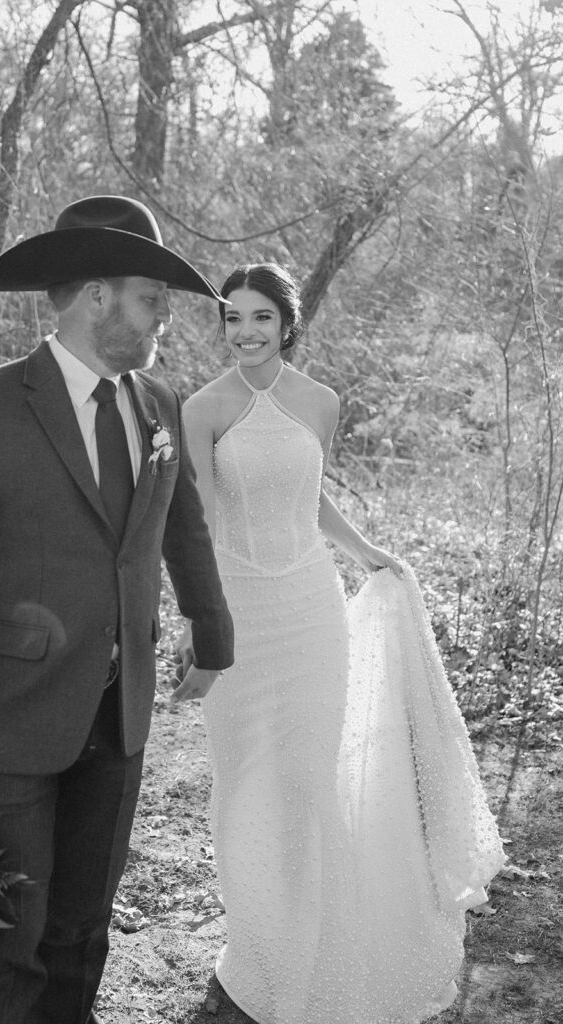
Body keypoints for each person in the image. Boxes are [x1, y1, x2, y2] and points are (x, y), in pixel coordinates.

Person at [0, 195, 234, 1024]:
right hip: (10, 720)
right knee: (7, 938)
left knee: (82, 932)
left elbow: (181, 528)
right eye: (153, 300)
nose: (164, 321)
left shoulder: (160, 406)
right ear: (97, 296)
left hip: (120, 718)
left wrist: (210, 633)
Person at [182, 262, 504, 1024]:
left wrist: (366, 553)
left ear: (287, 324)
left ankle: (315, 937)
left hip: (309, 610)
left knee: (304, 779)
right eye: (233, 318)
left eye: (261, 318)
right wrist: (200, 618)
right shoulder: (201, 407)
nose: (246, 333)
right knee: (243, 785)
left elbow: (311, 491)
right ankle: (259, 940)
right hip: (240, 613)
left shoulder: (321, 403)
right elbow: (200, 517)